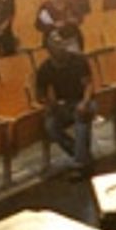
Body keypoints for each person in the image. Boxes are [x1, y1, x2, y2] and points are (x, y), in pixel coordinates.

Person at [35, 31, 96, 172]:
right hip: (64, 105)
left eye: (61, 43)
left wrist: (84, 103)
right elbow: (40, 94)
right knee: (50, 125)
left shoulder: (78, 60)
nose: (60, 46)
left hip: (84, 101)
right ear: (49, 49)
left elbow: (88, 85)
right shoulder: (45, 68)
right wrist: (49, 103)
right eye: (56, 44)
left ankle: (80, 163)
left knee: (82, 116)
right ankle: (81, 155)